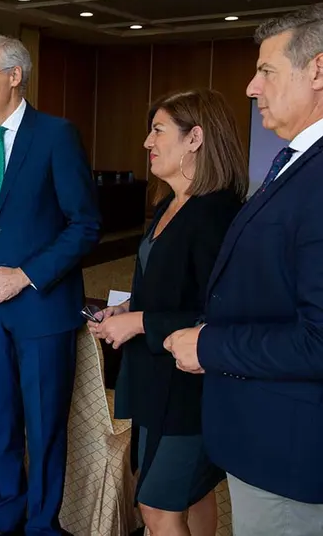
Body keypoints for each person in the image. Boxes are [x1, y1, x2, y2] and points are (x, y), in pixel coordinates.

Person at [165, 4, 323, 535]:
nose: (252, 87)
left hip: (291, 451)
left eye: (267, 71)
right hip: (270, 437)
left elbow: (319, 339)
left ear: (318, 71)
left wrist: (207, 345)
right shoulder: (296, 163)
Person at [0, 34, 100, 535]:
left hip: (42, 311)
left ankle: (41, 525)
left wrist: (26, 275)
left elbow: (84, 224)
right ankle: (5, 516)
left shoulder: (57, 136)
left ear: (15, 76)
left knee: (44, 427)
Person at [89, 89, 248, 536]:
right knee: (189, 496)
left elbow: (222, 313)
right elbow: (171, 287)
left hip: (191, 389)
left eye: (158, 130)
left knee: (157, 508)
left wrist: (138, 321)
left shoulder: (216, 214)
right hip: (156, 380)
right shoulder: (167, 205)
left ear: (195, 138)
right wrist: (128, 307)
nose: (146, 142)